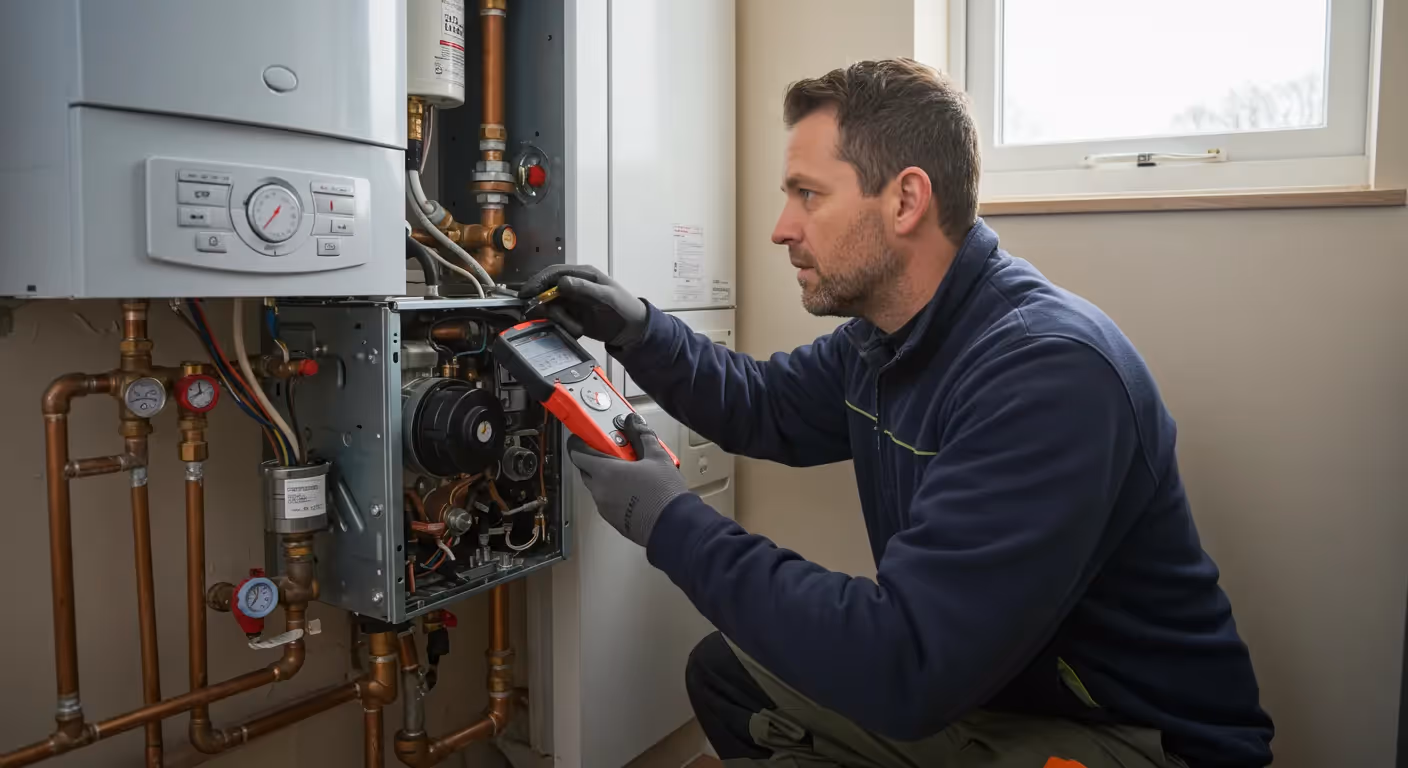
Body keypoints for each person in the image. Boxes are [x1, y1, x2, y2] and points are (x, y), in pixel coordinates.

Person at [519, 59, 1274, 768]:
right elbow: (763, 405)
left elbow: (905, 666)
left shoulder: (1046, 374)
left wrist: (671, 523)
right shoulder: (887, 339)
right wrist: (640, 330)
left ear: (907, 200)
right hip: (995, 693)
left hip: (1128, 740)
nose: (782, 227)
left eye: (807, 194)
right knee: (729, 674)